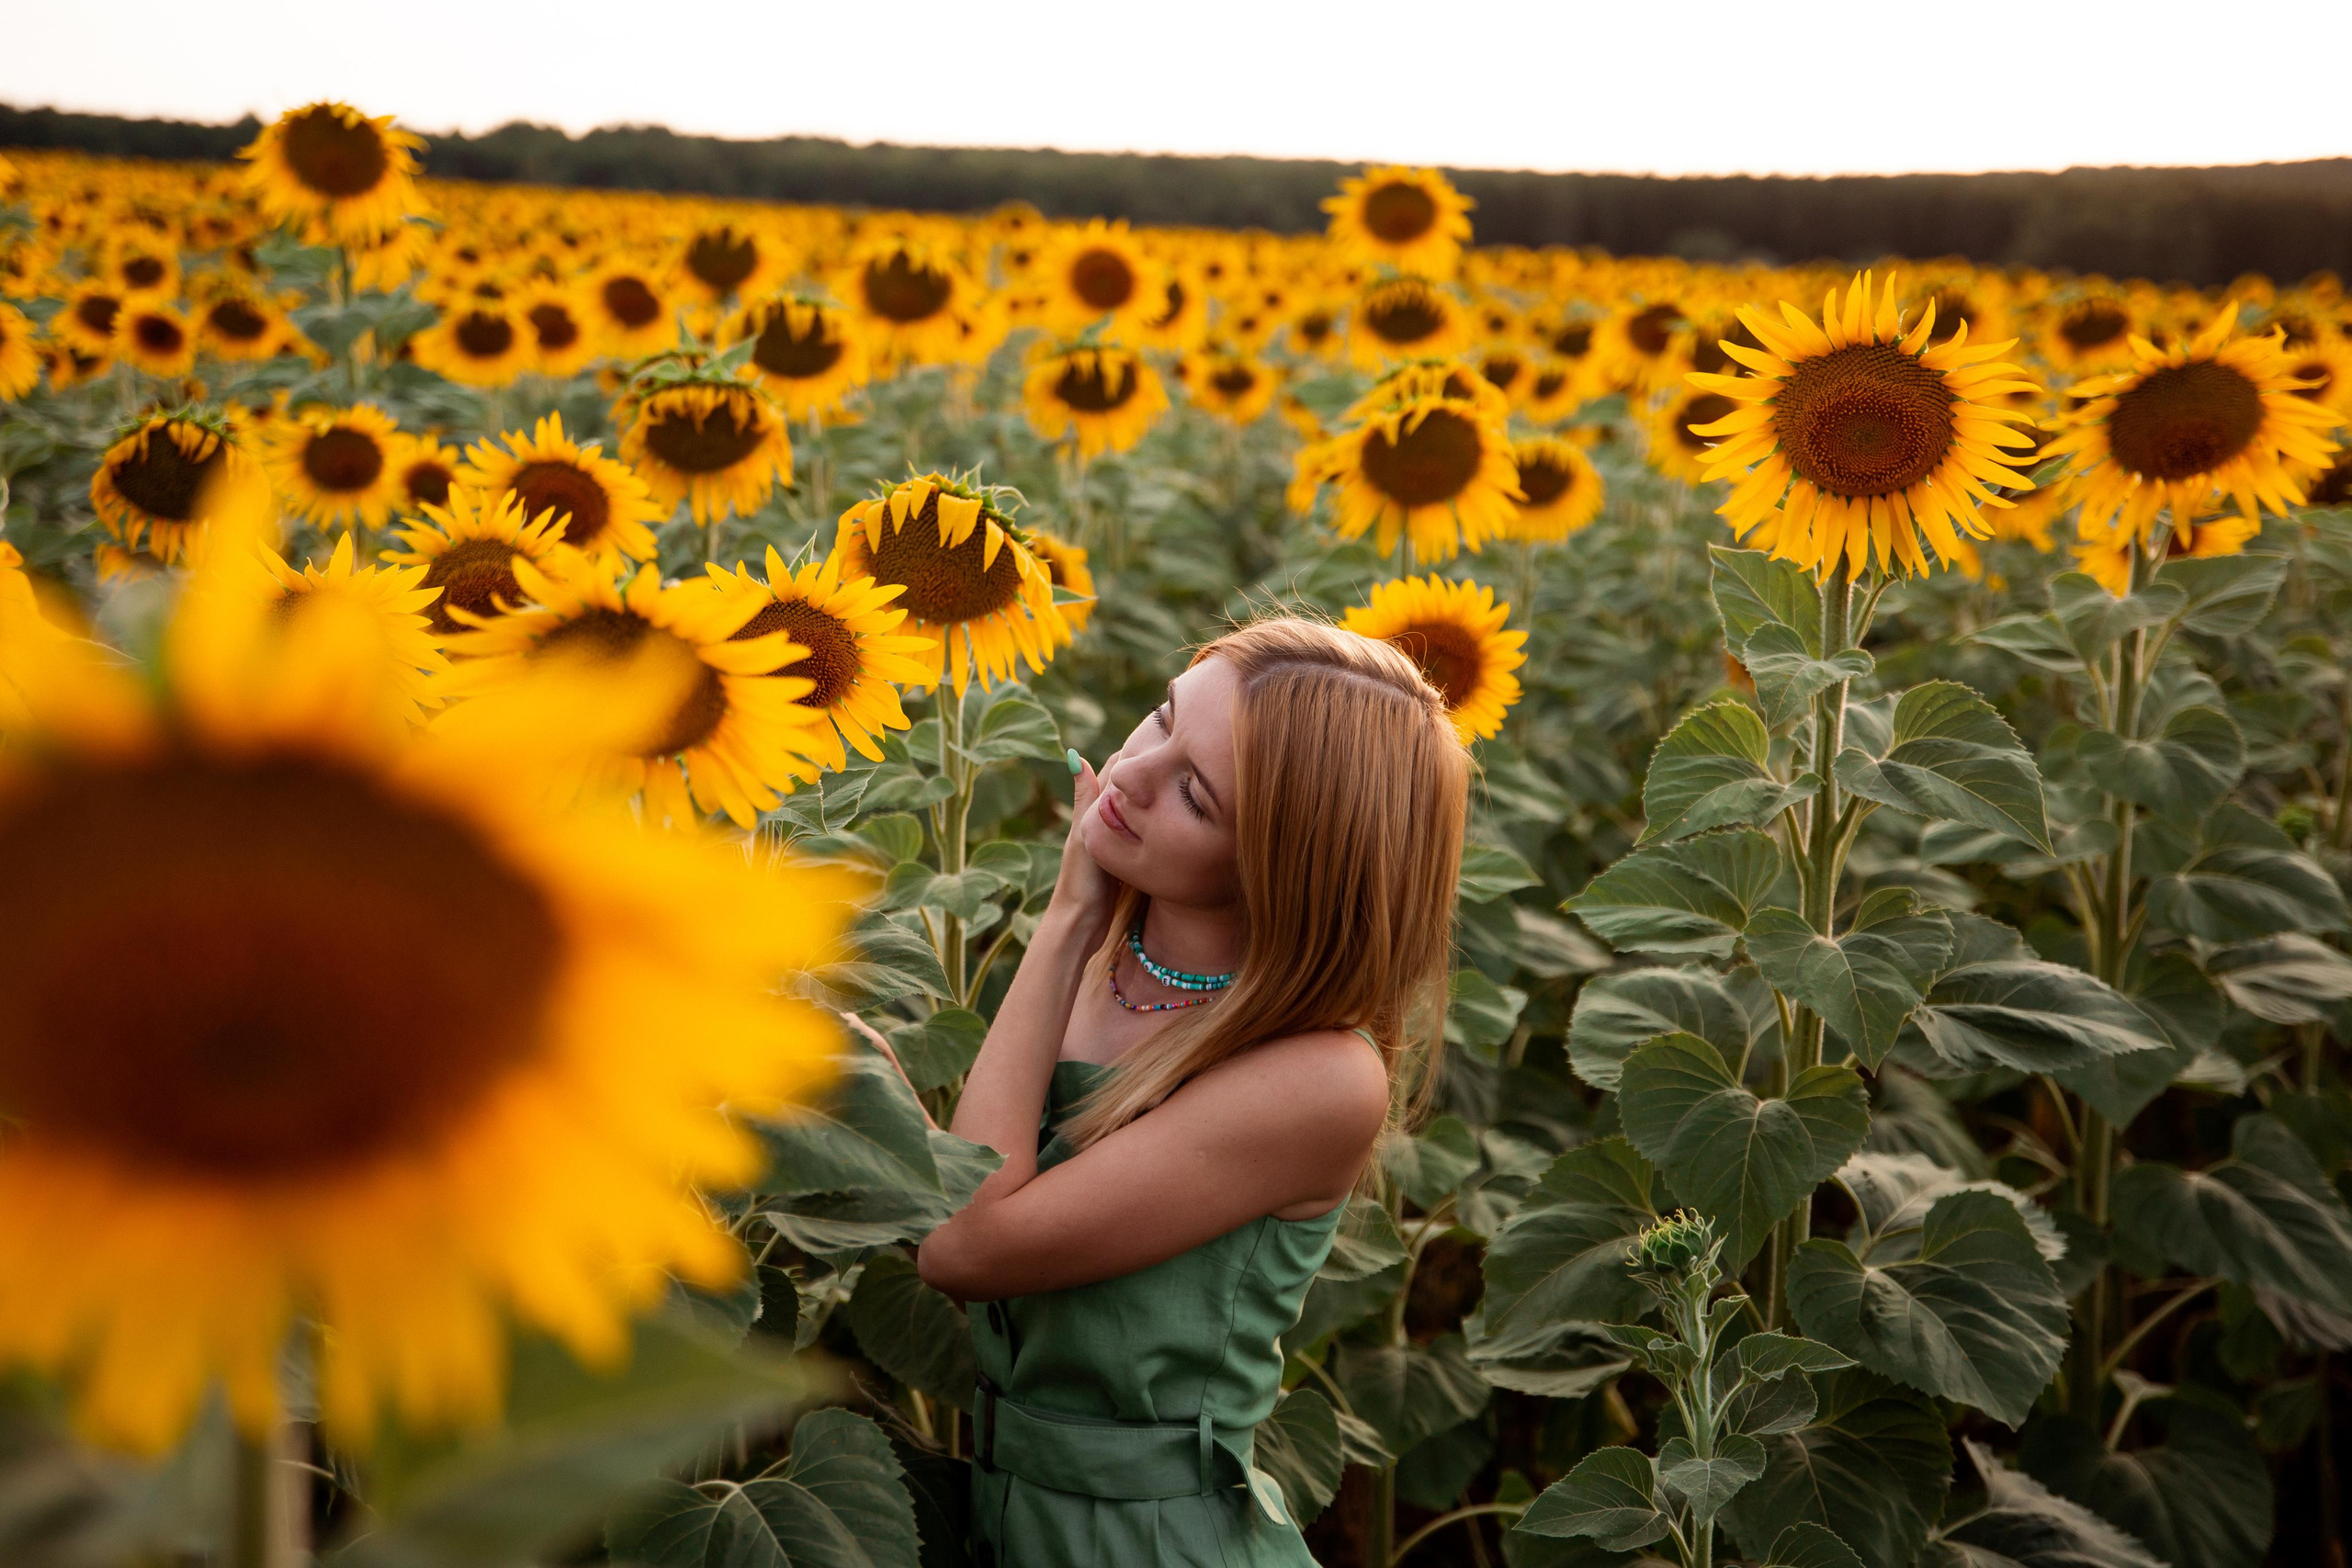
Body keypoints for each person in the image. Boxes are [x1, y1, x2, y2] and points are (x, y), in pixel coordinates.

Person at [853, 615, 1471, 1566]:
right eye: (1159, 718)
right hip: (1003, 1514)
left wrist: (1061, 923)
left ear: (1286, 863)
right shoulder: (1115, 956)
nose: (1129, 774)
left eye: (1193, 791)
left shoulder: (1319, 1078)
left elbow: (964, 1242)